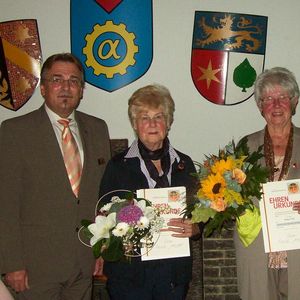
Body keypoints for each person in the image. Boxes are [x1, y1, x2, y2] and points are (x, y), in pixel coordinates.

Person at [0, 53, 111, 300]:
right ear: (43, 87)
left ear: (81, 91)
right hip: (35, 267)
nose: (66, 87)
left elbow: (102, 198)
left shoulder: (98, 128)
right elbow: (5, 205)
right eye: (57, 79)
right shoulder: (15, 131)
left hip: (83, 264)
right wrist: (12, 263)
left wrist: (101, 249)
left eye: (74, 81)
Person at [99, 84, 200, 300]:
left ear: (168, 122)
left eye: (159, 117)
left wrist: (196, 227)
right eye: (144, 117)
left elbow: (200, 211)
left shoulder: (184, 163)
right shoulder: (117, 166)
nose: (152, 124)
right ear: (135, 124)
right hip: (130, 274)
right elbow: (103, 215)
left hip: (173, 272)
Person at [233, 67, 300, 300]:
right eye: (268, 99)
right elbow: (231, 196)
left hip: (297, 245)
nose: (276, 105)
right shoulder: (246, 146)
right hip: (256, 244)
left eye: (283, 97)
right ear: (260, 107)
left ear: (294, 101)